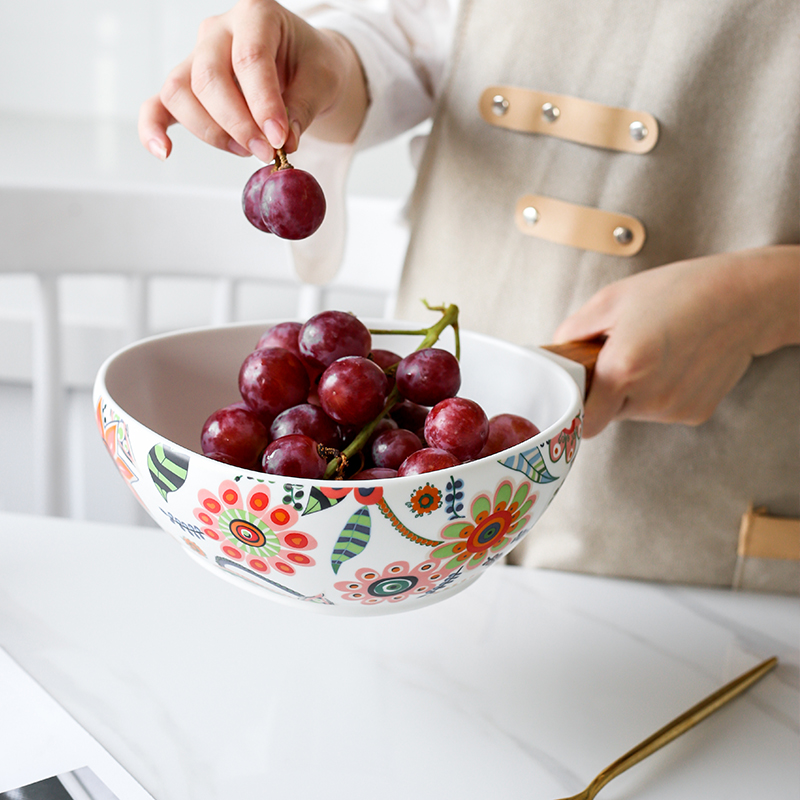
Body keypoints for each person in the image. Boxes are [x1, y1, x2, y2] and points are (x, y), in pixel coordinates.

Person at [138, 0, 800, 592]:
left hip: (710, 523)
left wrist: (764, 297)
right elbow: (423, 31)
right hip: (415, 518)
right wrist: (331, 62)